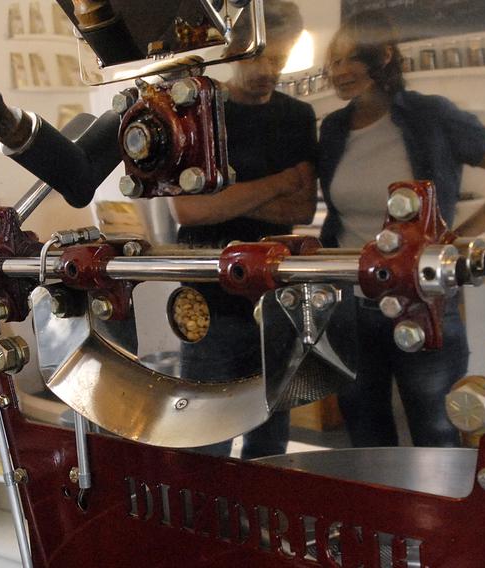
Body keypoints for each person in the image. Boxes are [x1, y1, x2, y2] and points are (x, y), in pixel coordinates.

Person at [318, 11, 485, 447]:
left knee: (437, 429)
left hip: (422, 301)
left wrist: (462, 234)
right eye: (332, 63)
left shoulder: (432, 117)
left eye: (348, 59)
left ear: (383, 56)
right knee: (365, 431)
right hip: (350, 303)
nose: (338, 72)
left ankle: (442, 515)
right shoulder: (333, 129)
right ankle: (374, 516)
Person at [169, 1, 319, 459]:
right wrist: (278, 183)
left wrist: (227, 196)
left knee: (271, 434)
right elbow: (189, 212)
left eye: (279, 57)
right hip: (207, 301)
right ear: (233, 52)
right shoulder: (200, 113)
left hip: (276, 299)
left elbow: (304, 205)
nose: (268, 69)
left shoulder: (297, 116)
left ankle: (266, 529)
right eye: (258, 56)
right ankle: (204, 527)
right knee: (205, 433)